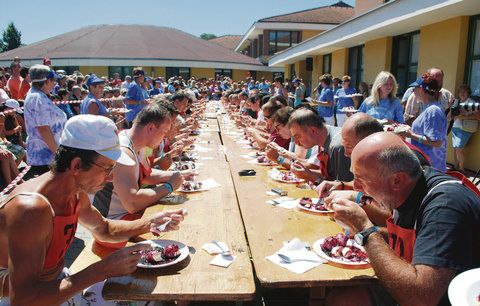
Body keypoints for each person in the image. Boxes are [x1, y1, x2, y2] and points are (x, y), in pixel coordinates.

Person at [0, 115, 186, 305]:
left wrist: (149, 222)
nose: (111, 178)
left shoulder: (74, 192)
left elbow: (104, 229)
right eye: (106, 168)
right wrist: (102, 269)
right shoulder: (31, 210)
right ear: (77, 165)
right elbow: (23, 300)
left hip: (55, 285)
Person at [324, 132, 480, 306]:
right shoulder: (409, 186)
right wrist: (366, 232)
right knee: (342, 298)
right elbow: (409, 239)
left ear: (397, 180)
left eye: (361, 179)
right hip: (417, 283)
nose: (356, 187)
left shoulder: (445, 207)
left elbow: (421, 298)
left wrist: (365, 229)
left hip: (439, 297)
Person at [92, 105, 186, 248]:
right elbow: (132, 203)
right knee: (178, 235)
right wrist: (169, 186)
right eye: (164, 132)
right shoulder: (123, 151)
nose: (165, 137)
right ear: (150, 128)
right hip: (115, 227)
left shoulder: (136, 144)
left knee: (177, 219)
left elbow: (145, 176)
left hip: (125, 220)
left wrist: (176, 175)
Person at [287, 108, 353, 183]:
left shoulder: (338, 147)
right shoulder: (321, 139)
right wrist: (306, 173)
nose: (296, 142)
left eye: (298, 136)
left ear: (313, 130)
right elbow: (329, 176)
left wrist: (310, 176)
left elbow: (344, 189)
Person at [24, 65, 68, 176]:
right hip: (46, 157)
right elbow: (43, 129)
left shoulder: (37, 96)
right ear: (47, 81)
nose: (55, 84)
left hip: (47, 156)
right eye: (54, 80)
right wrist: (58, 155)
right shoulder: (37, 98)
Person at [401, 73, 447, 172]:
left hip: (431, 168)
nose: (413, 91)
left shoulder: (433, 110)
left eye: (414, 88)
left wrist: (411, 135)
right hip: (426, 166)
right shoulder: (430, 108)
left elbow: (437, 143)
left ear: (421, 89)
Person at [451, 84, 478, 173]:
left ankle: (461, 169)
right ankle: (456, 167)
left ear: (468, 93)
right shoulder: (457, 102)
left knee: (459, 147)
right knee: (456, 148)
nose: (462, 93)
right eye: (460, 91)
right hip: (455, 127)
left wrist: (462, 117)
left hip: (465, 128)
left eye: (464, 91)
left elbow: (478, 116)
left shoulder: (472, 103)